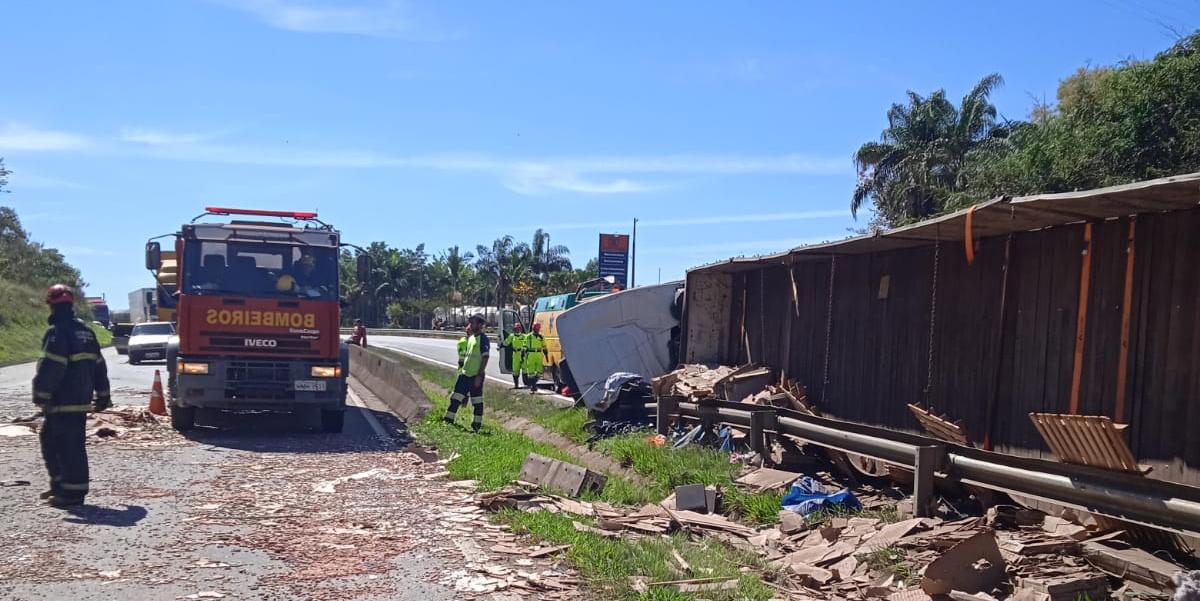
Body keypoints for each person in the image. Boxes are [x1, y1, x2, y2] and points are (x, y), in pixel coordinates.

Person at [32, 285, 110, 508]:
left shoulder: (58, 331)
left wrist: (41, 393)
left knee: (68, 446)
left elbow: (52, 366)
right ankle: (60, 486)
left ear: (51, 304)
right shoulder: (85, 331)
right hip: (80, 398)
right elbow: (99, 365)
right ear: (71, 304)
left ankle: (72, 494)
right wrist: (103, 394)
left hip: (62, 399)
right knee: (51, 440)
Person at [444, 314, 490, 432]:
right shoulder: (471, 338)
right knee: (455, 398)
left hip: (475, 376)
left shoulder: (483, 339)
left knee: (477, 402)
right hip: (464, 375)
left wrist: (479, 375)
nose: (470, 325)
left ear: (480, 325)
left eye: (473, 323)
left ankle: (476, 426)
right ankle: (448, 421)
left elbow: (485, 358)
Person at [523, 322, 548, 393]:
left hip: (539, 354)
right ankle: (533, 386)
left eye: (538, 329)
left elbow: (544, 345)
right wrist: (523, 351)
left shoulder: (541, 336)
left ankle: (533, 384)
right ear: (533, 328)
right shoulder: (528, 336)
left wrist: (545, 351)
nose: (537, 330)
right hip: (531, 354)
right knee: (531, 372)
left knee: (539, 372)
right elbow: (525, 345)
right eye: (535, 329)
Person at [504, 322, 527, 389]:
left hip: (523, 354)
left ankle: (527, 384)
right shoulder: (512, 336)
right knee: (515, 370)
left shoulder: (524, 336)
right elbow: (506, 343)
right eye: (516, 328)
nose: (517, 329)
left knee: (525, 369)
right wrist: (502, 343)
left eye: (519, 328)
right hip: (515, 354)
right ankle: (516, 385)